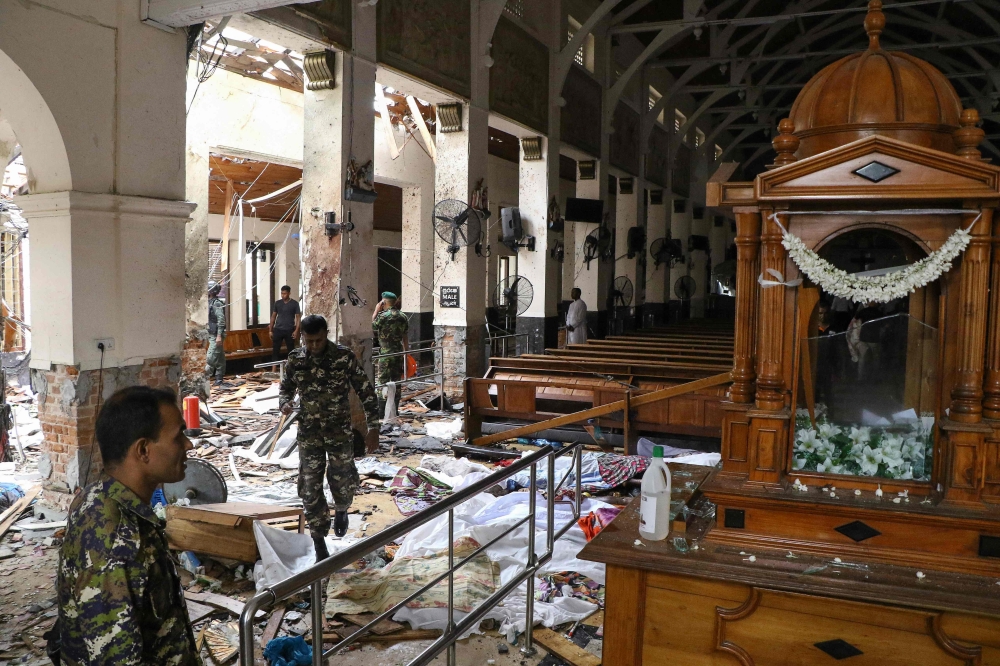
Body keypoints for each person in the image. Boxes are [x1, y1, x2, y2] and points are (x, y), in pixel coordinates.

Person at [56, 386, 200, 666]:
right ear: (143, 450)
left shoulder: (102, 494)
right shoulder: (116, 538)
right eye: (178, 436)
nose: (188, 445)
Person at [279, 315, 380, 559]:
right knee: (309, 487)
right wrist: (284, 403)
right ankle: (319, 541)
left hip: (339, 432)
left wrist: (374, 428)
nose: (314, 346)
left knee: (342, 479)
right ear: (302, 337)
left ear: (326, 334)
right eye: (309, 341)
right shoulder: (295, 359)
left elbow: (366, 391)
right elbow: (285, 388)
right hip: (309, 433)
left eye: (318, 340)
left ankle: (342, 508)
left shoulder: (343, 357)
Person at [371, 292, 409, 415]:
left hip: (385, 354)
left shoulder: (382, 316)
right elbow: (405, 337)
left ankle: (381, 411)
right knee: (396, 382)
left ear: (384, 302)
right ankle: (395, 410)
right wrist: (406, 354)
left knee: (382, 382)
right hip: (398, 353)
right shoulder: (403, 316)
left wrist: (376, 311)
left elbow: (372, 326)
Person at [270, 285, 301, 361]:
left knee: (291, 350)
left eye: (285, 293)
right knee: (275, 350)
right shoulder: (277, 303)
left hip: (289, 330)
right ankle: (274, 367)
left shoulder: (295, 304)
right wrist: (270, 330)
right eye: (282, 293)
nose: (283, 295)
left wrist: (296, 330)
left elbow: (298, 318)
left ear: (289, 293)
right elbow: (273, 316)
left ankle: (292, 365)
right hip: (278, 329)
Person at [205, 280, 226, 385]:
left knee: (210, 358)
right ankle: (219, 379)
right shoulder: (209, 302)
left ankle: (203, 381)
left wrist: (219, 336)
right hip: (211, 334)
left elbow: (221, 320)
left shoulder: (217, 303)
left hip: (216, 335)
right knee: (220, 358)